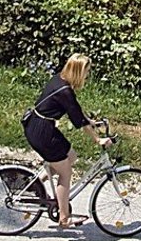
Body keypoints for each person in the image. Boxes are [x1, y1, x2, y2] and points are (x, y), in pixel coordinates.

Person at [23, 54, 109, 229]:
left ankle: (35, 185)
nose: (87, 75)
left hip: (37, 125)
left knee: (71, 155)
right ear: (78, 71)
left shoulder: (59, 80)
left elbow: (75, 110)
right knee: (66, 173)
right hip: (43, 132)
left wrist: (91, 121)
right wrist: (98, 139)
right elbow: (79, 121)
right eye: (86, 71)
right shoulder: (65, 91)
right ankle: (64, 218)